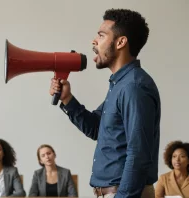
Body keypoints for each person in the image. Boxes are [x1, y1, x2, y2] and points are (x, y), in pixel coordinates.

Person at [50, 8, 161, 198]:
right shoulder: (120, 85)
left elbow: (138, 154)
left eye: (101, 35)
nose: (94, 41)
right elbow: (96, 128)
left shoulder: (133, 87)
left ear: (120, 42)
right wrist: (67, 99)